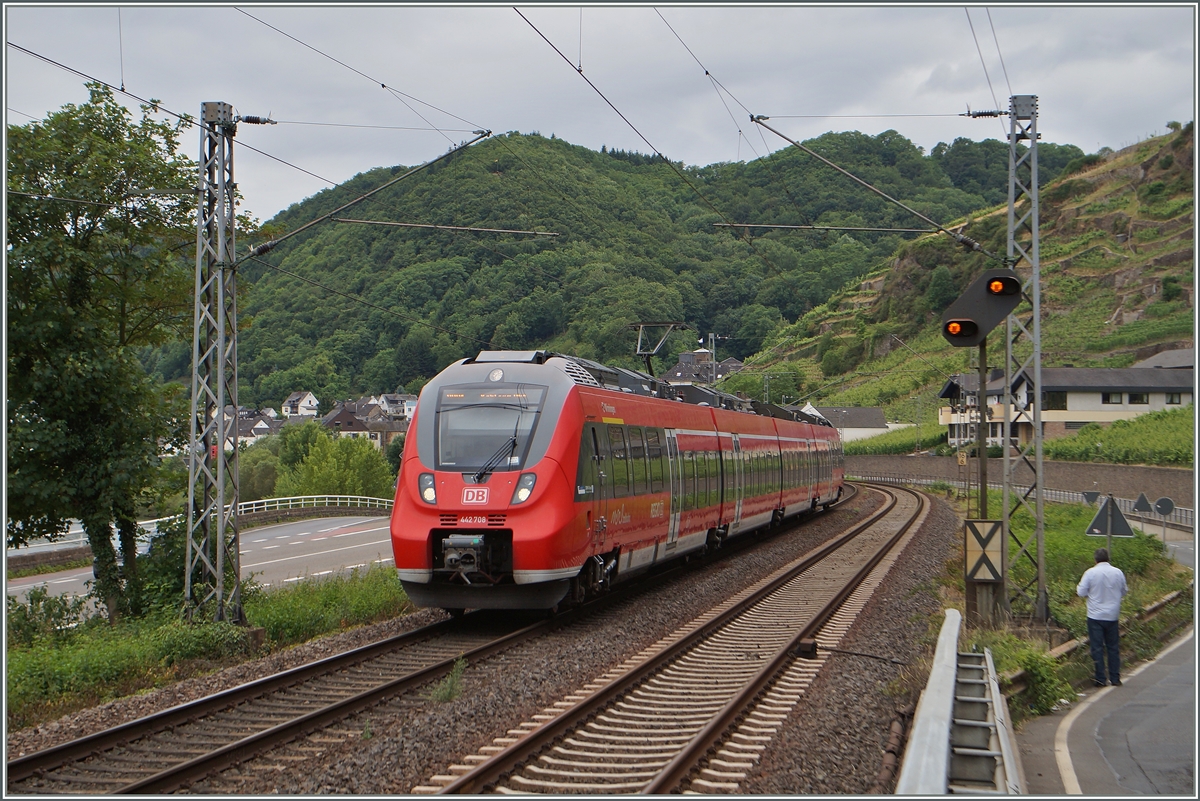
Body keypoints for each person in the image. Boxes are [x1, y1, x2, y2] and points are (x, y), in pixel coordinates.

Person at [1077, 548, 1128, 687]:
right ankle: (1115, 678)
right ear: (1108, 559)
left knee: (1097, 647)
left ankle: (1100, 679)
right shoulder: (1118, 572)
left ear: (1095, 560)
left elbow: (1081, 592)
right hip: (1112, 615)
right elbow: (1124, 591)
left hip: (1095, 616)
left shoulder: (1090, 573)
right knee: (1113, 647)